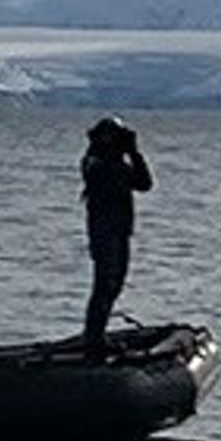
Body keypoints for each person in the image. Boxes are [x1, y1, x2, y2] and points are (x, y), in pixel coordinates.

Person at [80, 118, 151, 359]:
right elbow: (130, 180)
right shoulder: (97, 164)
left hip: (119, 231)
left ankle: (96, 335)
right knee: (105, 285)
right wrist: (129, 152)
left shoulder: (115, 163)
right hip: (105, 233)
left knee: (113, 285)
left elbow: (144, 183)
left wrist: (134, 153)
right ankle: (93, 339)